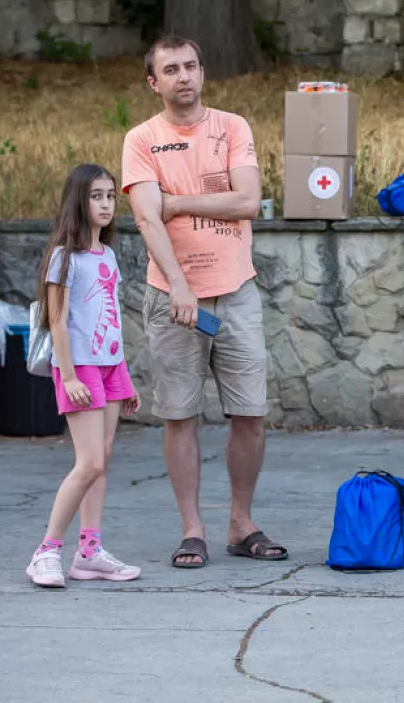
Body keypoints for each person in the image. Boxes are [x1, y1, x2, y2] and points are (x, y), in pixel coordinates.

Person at [122, 35, 287, 569]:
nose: (184, 76)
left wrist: (178, 201)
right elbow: (147, 218)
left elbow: (247, 202)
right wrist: (180, 285)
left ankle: (242, 523)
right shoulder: (141, 139)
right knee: (180, 415)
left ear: (202, 71)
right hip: (174, 296)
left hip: (236, 291)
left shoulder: (232, 127)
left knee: (251, 414)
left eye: (191, 65)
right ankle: (193, 529)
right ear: (154, 82)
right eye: (171, 69)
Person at [25, 164, 142, 588]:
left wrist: (124, 377)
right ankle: (47, 552)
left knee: (103, 460)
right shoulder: (64, 256)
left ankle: (89, 551)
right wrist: (70, 375)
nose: (106, 204)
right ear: (79, 200)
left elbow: (110, 320)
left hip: (111, 366)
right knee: (89, 461)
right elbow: (57, 321)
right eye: (96, 196)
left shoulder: (107, 255)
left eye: (111, 195)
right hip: (80, 367)